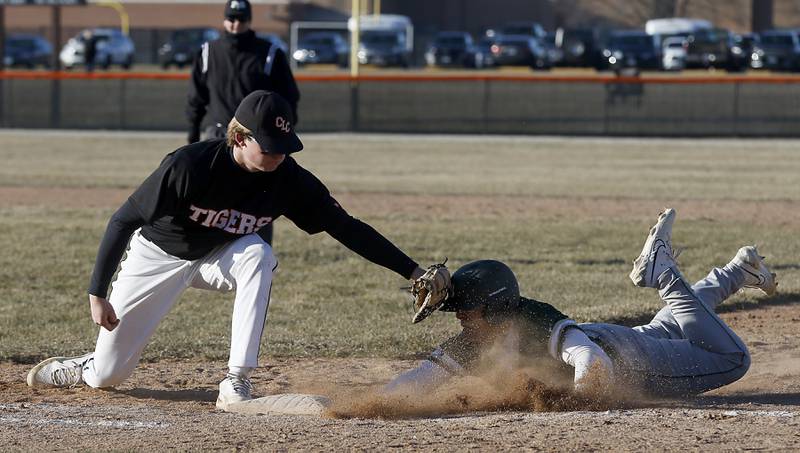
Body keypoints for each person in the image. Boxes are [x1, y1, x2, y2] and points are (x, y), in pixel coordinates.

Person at [27, 91, 442, 411]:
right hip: (157, 256)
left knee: (259, 255)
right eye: (269, 146)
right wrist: (97, 293)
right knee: (109, 377)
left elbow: (346, 227)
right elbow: (122, 220)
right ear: (240, 138)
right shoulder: (188, 166)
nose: (279, 155)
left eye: (285, 145)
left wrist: (412, 271)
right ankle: (86, 366)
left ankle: (236, 380)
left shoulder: (288, 179)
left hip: (219, 257)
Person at [386, 208, 777, 398]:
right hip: (628, 338)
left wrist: (575, 399)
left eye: (467, 313)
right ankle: (738, 271)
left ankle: (662, 271)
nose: (461, 322)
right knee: (677, 323)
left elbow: (594, 363)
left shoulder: (534, 321)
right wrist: (348, 405)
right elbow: (416, 382)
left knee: (734, 360)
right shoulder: (475, 341)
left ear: (497, 309)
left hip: (637, 360)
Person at [186, 0, 299, 245]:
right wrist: (192, 135)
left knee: (259, 198)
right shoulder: (208, 52)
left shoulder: (268, 53)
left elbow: (289, 98)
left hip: (257, 140)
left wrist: (282, 135)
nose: (236, 24)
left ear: (249, 20)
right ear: (224, 18)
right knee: (212, 197)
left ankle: (259, 248)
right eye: (231, 18)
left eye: (241, 18)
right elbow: (196, 98)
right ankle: (211, 246)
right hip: (216, 136)